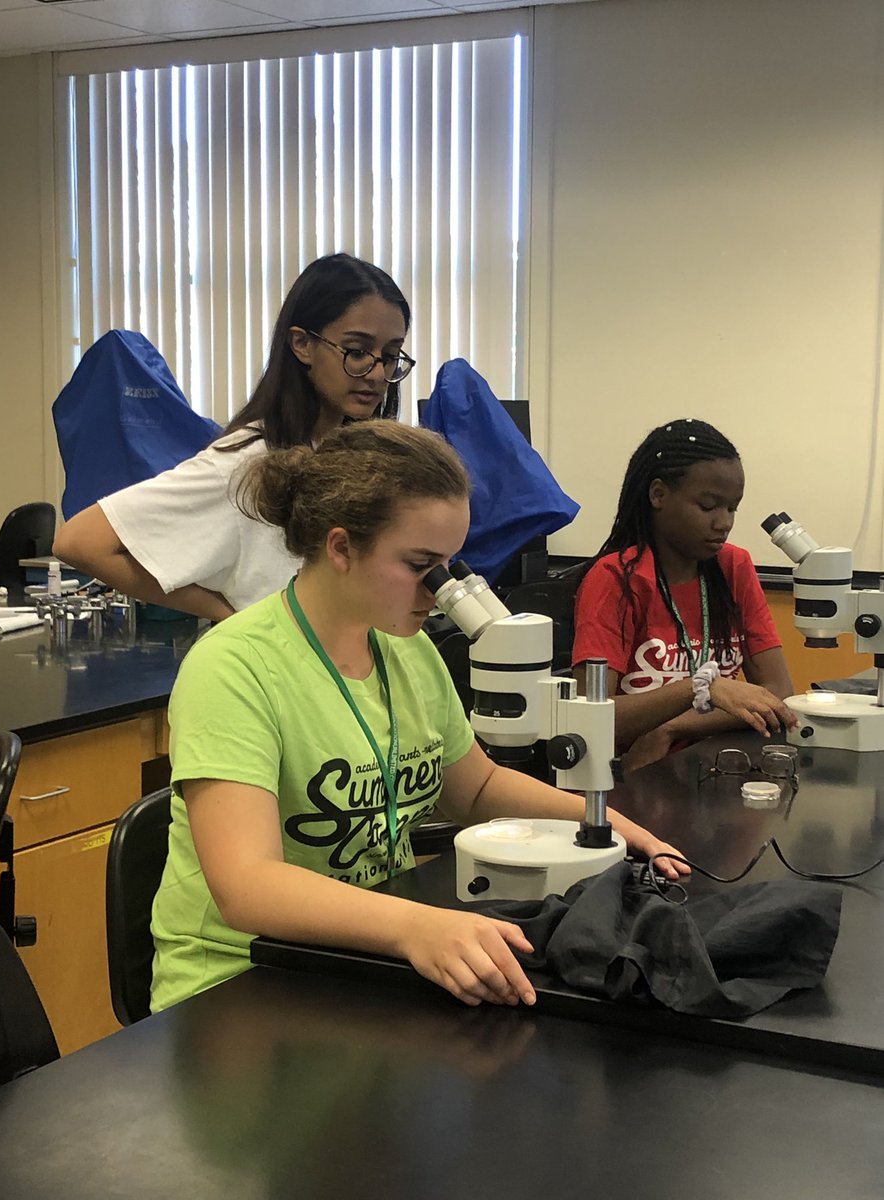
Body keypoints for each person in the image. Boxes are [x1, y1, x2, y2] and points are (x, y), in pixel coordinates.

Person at [151, 420, 691, 1014]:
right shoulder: (233, 667)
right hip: (239, 983)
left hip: (360, 959)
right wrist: (416, 927)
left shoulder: (404, 647)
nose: (439, 589)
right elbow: (247, 886)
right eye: (419, 565)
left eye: (449, 565)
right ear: (340, 547)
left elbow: (477, 787)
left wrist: (609, 823)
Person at [53, 253, 414, 621]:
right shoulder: (248, 463)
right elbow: (81, 542)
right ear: (302, 344)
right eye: (356, 351)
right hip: (274, 670)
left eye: (389, 355)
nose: (377, 373)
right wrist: (231, 617)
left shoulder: (353, 458)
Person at [572, 418, 797, 772]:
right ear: (658, 494)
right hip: (638, 776)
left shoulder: (734, 567)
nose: (723, 522)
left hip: (721, 766)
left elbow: (780, 692)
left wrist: (673, 725)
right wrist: (700, 688)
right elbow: (589, 716)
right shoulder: (615, 579)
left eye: (732, 507)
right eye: (708, 506)